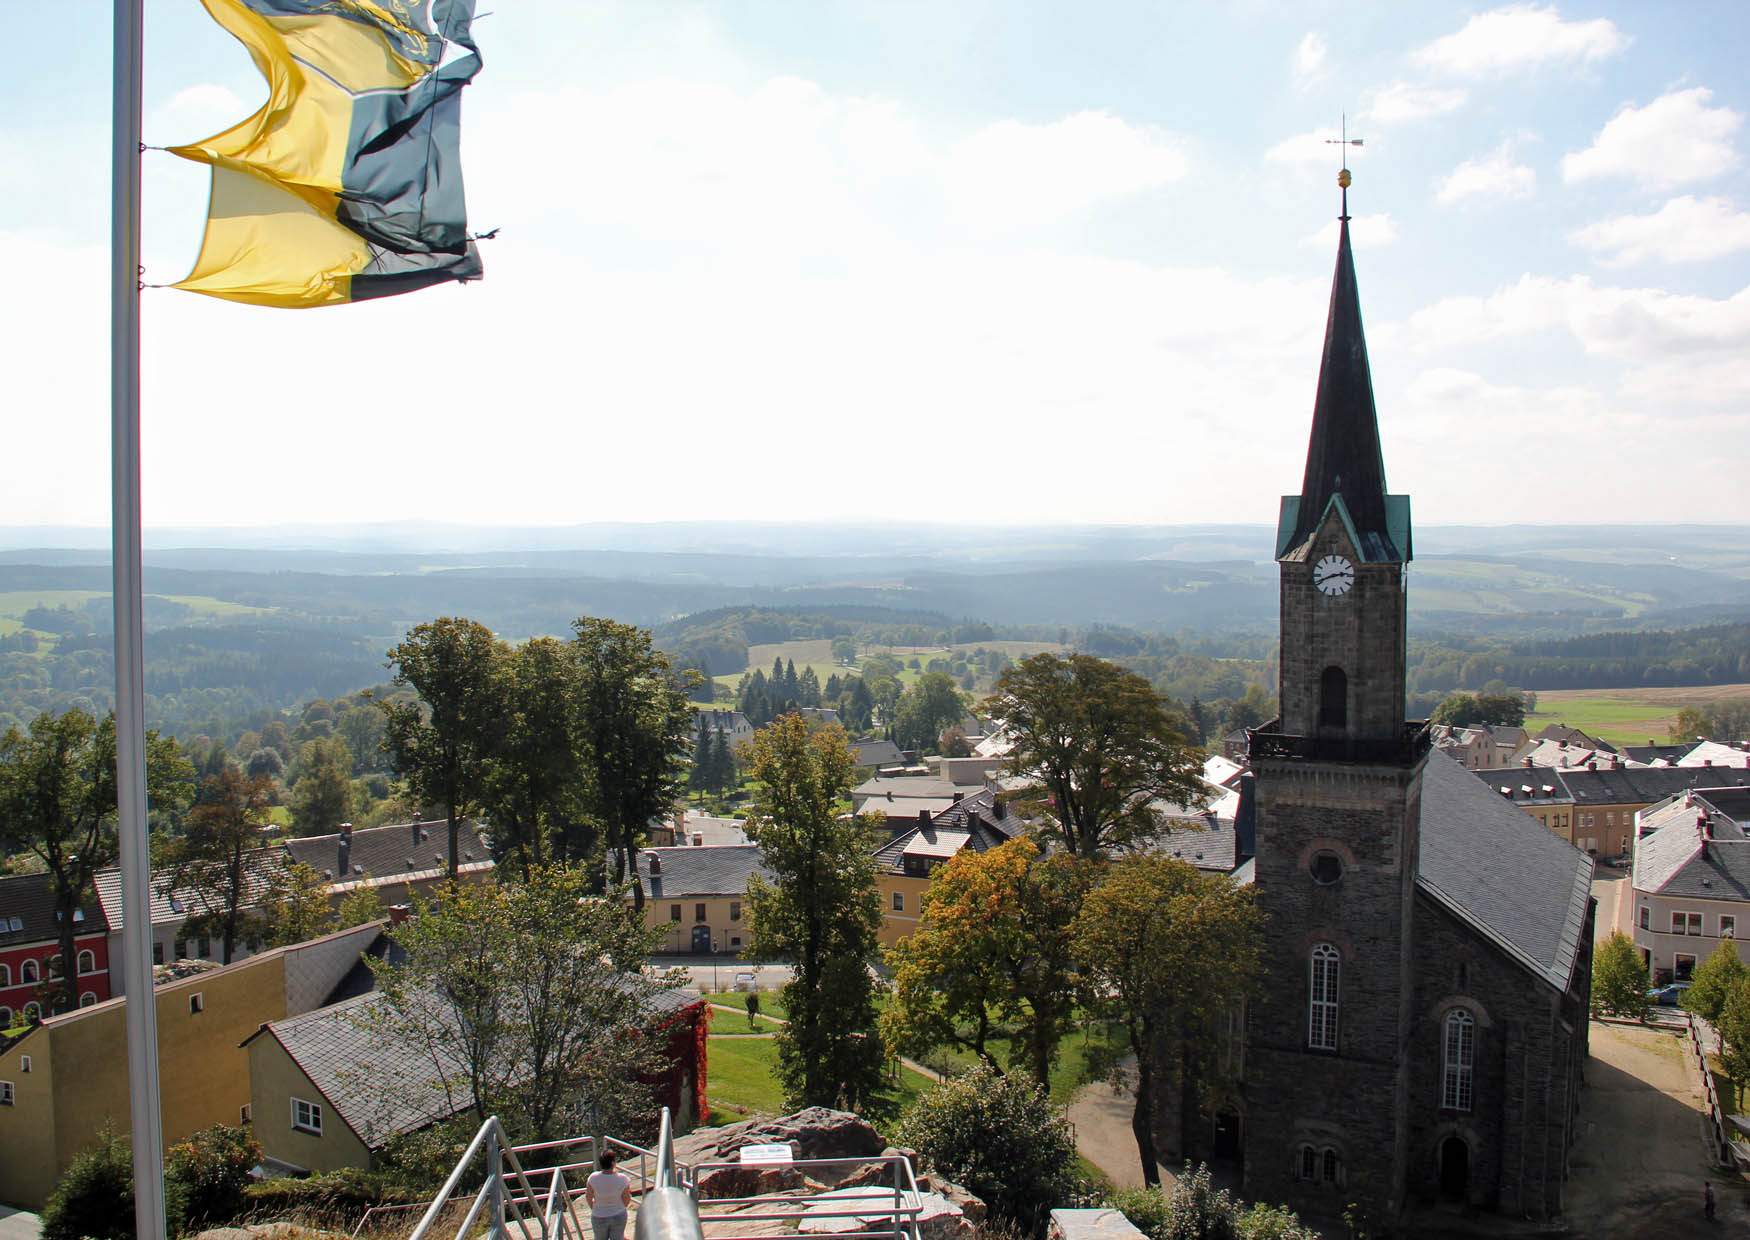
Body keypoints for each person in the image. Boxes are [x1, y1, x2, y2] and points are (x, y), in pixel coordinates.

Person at [586, 1148, 633, 1240]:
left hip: (598, 1216)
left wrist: (595, 1208)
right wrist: (620, 1208)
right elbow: (626, 1199)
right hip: (618, 1215)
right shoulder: (623, 1179)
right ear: (613, 1163)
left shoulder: (593, 1178)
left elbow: (588, 1196)